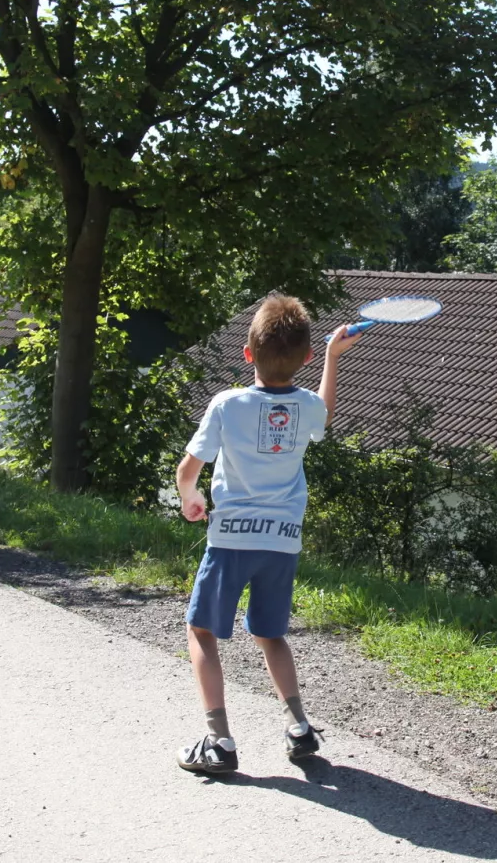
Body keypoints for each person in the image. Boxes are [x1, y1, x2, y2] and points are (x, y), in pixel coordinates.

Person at [174, 294, 358, 774]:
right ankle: (299, 727)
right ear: (306, 358)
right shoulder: (305, 407)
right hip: (282, 542)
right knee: (271, 634)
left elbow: (188, 467)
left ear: (248, 353)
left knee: (201, 631)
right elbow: (325, 415)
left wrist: (189, 497)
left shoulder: (227, 404)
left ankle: (219, 742)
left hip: (231, 540)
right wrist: (335, 358)